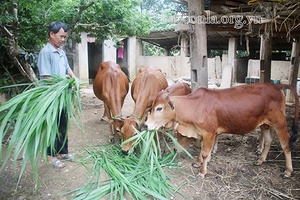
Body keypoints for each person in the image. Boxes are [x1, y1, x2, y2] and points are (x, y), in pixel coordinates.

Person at [37, 21, 76, 168]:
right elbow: (47, 78)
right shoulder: (45, 52)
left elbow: (67, 69)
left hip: (62, 97)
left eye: (65, 37)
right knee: (52, 126)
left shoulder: (61, 52)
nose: (63, 40)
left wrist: (75, 79)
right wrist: (64, 85)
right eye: (61, 36)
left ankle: (63, 152)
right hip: (51, 97)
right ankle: (51, 156)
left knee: (63, 124)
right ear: (51, 34)